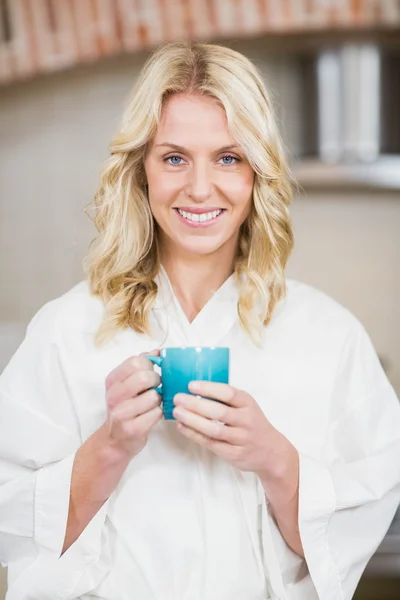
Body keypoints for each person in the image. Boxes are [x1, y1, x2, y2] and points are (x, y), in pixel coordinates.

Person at [0, 40, 399, 600]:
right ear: (141, 170)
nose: (200, 187)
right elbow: (13, 528)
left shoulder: (328, 336)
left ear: (258, 173)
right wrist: (109, 447)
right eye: (174, 157)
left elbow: (354, 535)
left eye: (229, 158)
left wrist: (276, 460)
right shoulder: (66, 330)